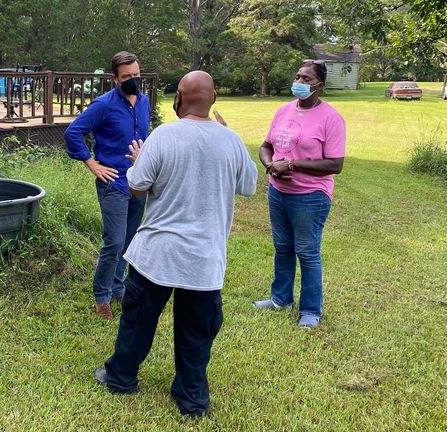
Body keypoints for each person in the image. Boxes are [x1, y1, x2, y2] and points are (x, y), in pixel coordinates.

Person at [92, 71, 258, 417]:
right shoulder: (231, 141)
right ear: (213, 100)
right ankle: (192, 401)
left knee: (137, 322)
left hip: (157, 255)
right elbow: (248, 186)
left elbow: (136, 186)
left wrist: (140, 161)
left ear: (178, 100)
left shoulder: (163, 136)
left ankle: (120, 378)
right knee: (196, 333)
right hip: (203, 259)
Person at [252, 60, 346, 329]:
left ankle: (311, 310)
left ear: (319, 85)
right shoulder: (283, 111)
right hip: (278, 191)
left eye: (306, 79)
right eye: (297, 77)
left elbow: (335, 164)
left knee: (306, 251)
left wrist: (292, 164)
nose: (300, 82)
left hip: (310, 195)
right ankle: (281, 299)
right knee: (283, 248)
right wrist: (270, 164)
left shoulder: (331, 118)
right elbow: (266, 146)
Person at [65, 51, 151, 320]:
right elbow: (73, 133)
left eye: (136, 75)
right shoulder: (103, 104)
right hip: (113, 181)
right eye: (127, 77)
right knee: (113, 242)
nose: (133, 80)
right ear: (115, 78)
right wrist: (92, 163)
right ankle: (101, 296)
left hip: (139, 181)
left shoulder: (144, 102)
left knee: (128, 240)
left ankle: (117, 288)